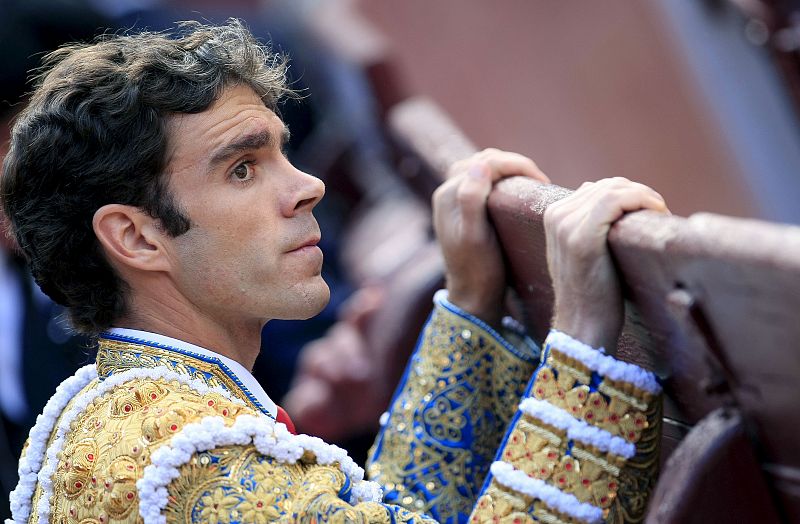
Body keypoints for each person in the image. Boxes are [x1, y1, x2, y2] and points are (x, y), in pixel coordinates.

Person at [2, 20, 669, 524]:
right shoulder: (189, 460)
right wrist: (585, 350)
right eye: (242, 168)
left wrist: (468, 303)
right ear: (137, 237)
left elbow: (387, 510)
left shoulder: (133, 410)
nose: (308, 187)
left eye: (282, 155)